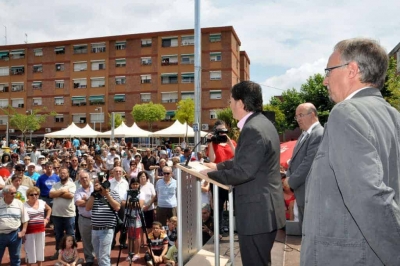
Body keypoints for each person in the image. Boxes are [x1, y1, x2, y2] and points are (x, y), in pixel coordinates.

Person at [301, 38, 400, 266]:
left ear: (352, 70)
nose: (325, 81)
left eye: (329, 71)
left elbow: (369, 196)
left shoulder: (346, 112)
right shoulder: (393, 116)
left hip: (348, 256)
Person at [201, 81, 286, 266]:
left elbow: (243, 171)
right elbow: (247, 160)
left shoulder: (253, 129)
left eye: (230, 100)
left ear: (240, 103)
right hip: (264, 210)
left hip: (257, 214)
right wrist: (218, 167)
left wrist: (209, 176)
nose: (229, 105)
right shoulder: (262, 123)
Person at [285, 103, 324, 226]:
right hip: (302, 193)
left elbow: (309, 163)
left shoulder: (318, 134)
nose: (298, 119)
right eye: (296, 117)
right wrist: (288, 175)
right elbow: (294, 160)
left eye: (301, 115)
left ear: (312, 114)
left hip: (311, 194)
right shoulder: (304, 134)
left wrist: (291, 181)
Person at [86, 175, 121, 266]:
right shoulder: (94, 195)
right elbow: (87, 208)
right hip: (95, 229)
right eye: (96, 184)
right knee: (98, 256)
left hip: (107, 229)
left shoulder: (113, 193)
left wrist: (107, 194)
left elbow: (117, 207)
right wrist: (94, 194)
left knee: (104, 257)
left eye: (100, 183)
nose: (98, 185)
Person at [49, 167, 76, 260]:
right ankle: (59, 252)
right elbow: (51, 195)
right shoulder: (56, 184)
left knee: (70, 235)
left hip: (69, 214)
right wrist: (62, 191)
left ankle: (72, 254)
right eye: (61, 173)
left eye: (64, 173)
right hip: (57, 214)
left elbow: (70, 196)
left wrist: (57, 193)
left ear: (68, 174)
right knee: (58, 235)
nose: (62, 174)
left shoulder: (72, 185)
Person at [0, 185, 29, 266]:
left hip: (15, 235)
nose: (14, 195)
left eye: (15, 193)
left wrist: (23, 231)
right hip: (0, 235)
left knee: (16, 259)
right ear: (4, 194)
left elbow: (25, 219)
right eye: (12, 193)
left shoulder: (19, 203)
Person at [24, 186, 52, 266]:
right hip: (29, 232)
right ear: (28, 196)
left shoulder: (42, 202)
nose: (34, 196)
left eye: (36, 194)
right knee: (30, 251)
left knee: (40, 250)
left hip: (41, 230)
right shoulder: (24, 205)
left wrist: (46, 219)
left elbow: (49, 209)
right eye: (31, 194)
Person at [74, 170, 94, 266]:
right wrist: (91, 201)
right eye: (82, 178)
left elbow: (98, 202)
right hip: (84, 219)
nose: (84, 179)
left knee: (98, 239)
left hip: (96, 218)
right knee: (86, 240)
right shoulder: (78, 191)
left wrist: (86, 201)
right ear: (79, 180)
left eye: (86, 177)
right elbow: (78, 203)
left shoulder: (96, 189)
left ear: (89, 178)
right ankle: (89, 259)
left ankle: (99, 257)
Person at [126, 177, 144, 263]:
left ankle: (137, 253)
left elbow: (139, 205)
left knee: (137, 236)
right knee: (129, 236)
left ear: (139, 185)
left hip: (137, 217)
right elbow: (123, 203)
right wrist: (132, 204)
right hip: (129, 217)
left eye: (136, 184)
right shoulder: (127, 193)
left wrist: (131, 204)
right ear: (131, 185)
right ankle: (130, 253)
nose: (135, 186)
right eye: (133, 184)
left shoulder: (141, 193)